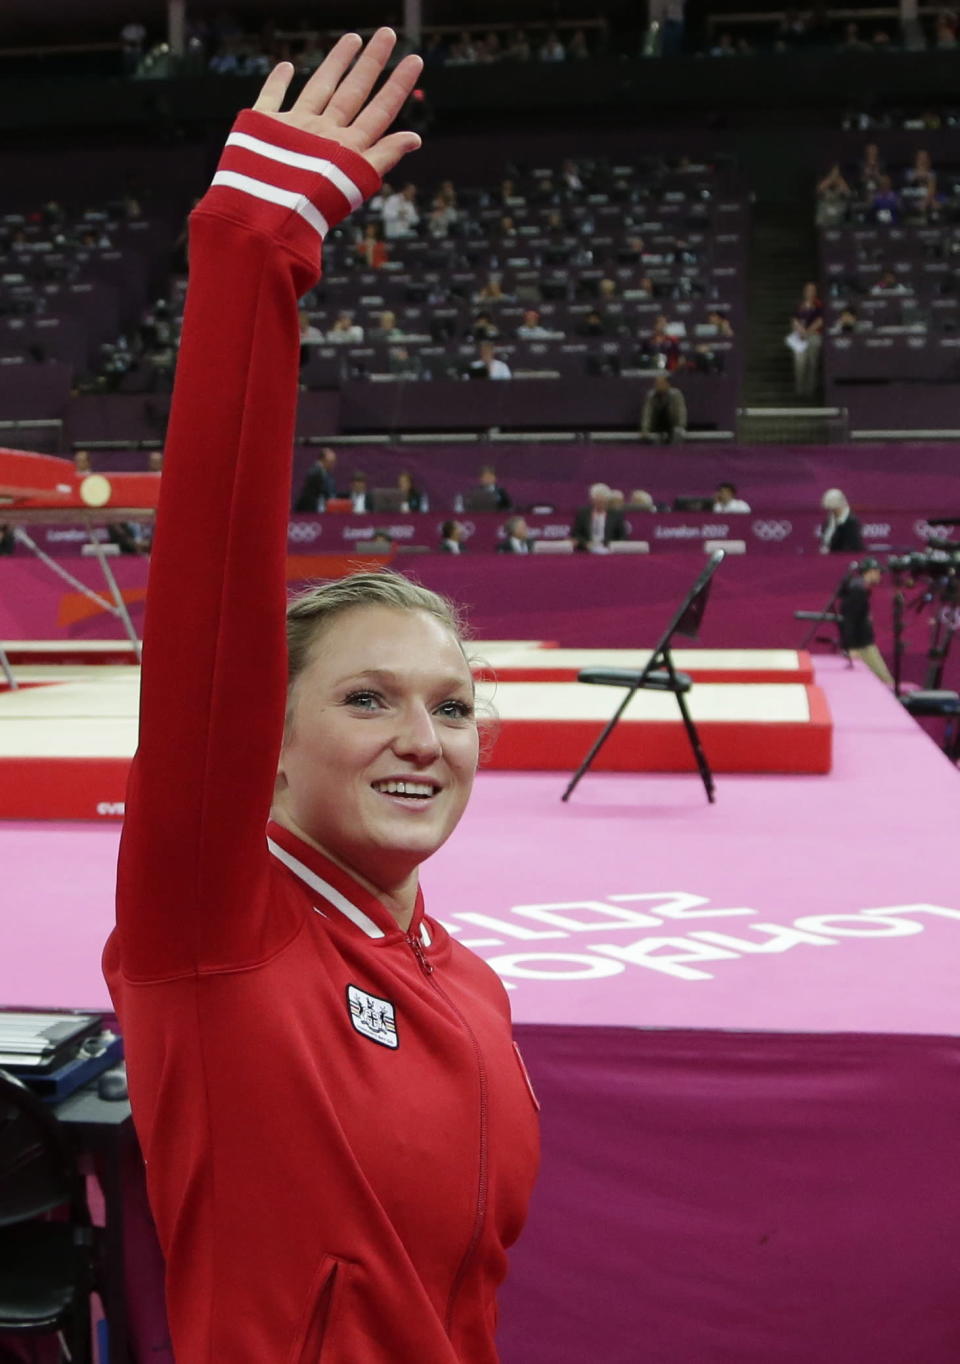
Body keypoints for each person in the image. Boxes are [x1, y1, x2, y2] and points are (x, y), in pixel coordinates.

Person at [103, 31, 538, 1364]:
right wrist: (253, 255)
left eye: (453, 709)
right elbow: (215, 610)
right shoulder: (215, 933)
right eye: (368, 701)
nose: (424, 741)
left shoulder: (466, 981)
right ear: (271, 745)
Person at [839, 558, 894, 685]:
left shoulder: (860, 590)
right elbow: (849, 620)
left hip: (863, 643)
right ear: (870, 572)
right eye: (879, 572)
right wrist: (852, 648)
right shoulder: (857, 591)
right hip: (862, 646)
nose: (880, 576)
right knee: (886, 682)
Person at [789, 282, 824, 397]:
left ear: (815, 292)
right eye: (808, 290)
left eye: (812, 290)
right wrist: (800, 331)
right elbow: (794, 320)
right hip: (800, 336)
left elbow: (820, 321)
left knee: (812, 362)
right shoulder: (799, 305)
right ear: (804, 292)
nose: (810, 292)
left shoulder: (819, 304)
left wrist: (807, 332)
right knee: (799, 363)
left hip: (814, 335)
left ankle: (810, 390)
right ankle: (799, 390)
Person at [571, 483, 628, 552]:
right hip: (586, 551)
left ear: (607, 500)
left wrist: (610, 545)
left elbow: (623, 536)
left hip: (609, 551)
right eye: (597, 500)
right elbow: (576, 534)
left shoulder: (616, 515)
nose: (599, 503)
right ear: (591, 500)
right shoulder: (583, 514)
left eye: (602, 501)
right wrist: (585, 543)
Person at [641, 374, 687, 443]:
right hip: (657, 425)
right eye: (657, 384)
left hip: (673, 424)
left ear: (667, 384)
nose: (659, 386)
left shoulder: (676, 395)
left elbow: (681, 412)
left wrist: (681, 426)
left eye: (661, 383)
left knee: (677, 435)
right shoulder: (651, 396)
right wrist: (645, 430)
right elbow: (647, 414)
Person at [820, 487, 864, 553]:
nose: (831, 511)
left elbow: (854, 546)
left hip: (844, 558)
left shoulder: (851, 521)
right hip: (829, 558)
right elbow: (825, 539)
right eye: (830, 509)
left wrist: (831, 551)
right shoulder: (829, 520)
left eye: (834, 508)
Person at [293, 447, 337, 511]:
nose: (333, 465)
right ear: (323, 460)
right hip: (308, 509)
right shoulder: (315, 472)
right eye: (331, 462)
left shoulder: (324, 472)